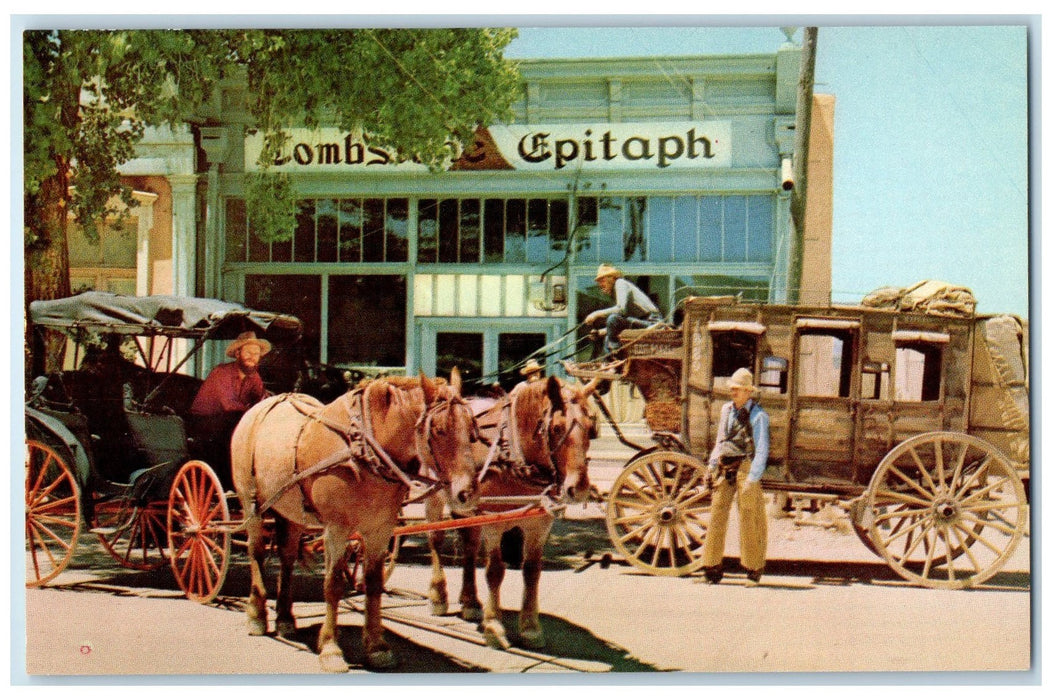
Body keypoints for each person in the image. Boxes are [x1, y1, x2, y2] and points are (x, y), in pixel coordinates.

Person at [700, 367, 771, 587]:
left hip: (746, 468)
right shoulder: (726, 411)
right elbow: (721, 441)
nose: (733, 392)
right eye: (732, 389)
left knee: (749, 517)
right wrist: (712, 466)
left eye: (738, 389)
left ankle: (753, 568)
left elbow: (762, 449)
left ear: (748, 392)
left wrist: (752, 479)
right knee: (717, 514)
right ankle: (711, 566)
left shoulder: (759, 416)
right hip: (726, 466)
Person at [188, 331, 271, 485]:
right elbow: (229, 405)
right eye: (248, 352)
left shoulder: (254, 376)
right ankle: (229, 484)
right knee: (234, 430)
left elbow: (259, 400)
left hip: (229, 420)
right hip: (203, 422)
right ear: (238, 353)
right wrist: (253, 413)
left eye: (256, 353)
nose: (252, 357)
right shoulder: (222, 372)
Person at [584, 264, 662, 356]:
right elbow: (622, 321)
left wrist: (596, 314)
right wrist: (600, 332)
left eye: (602, 280)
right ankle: (609, 361)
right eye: (599, 282)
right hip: (641, 322)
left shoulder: (620, 283)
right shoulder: (616, 292)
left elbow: (621, 310)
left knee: (613, 319)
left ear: (612, 278)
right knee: (608, 335)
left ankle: (616, 357)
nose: (600, 285)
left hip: (652, 323)